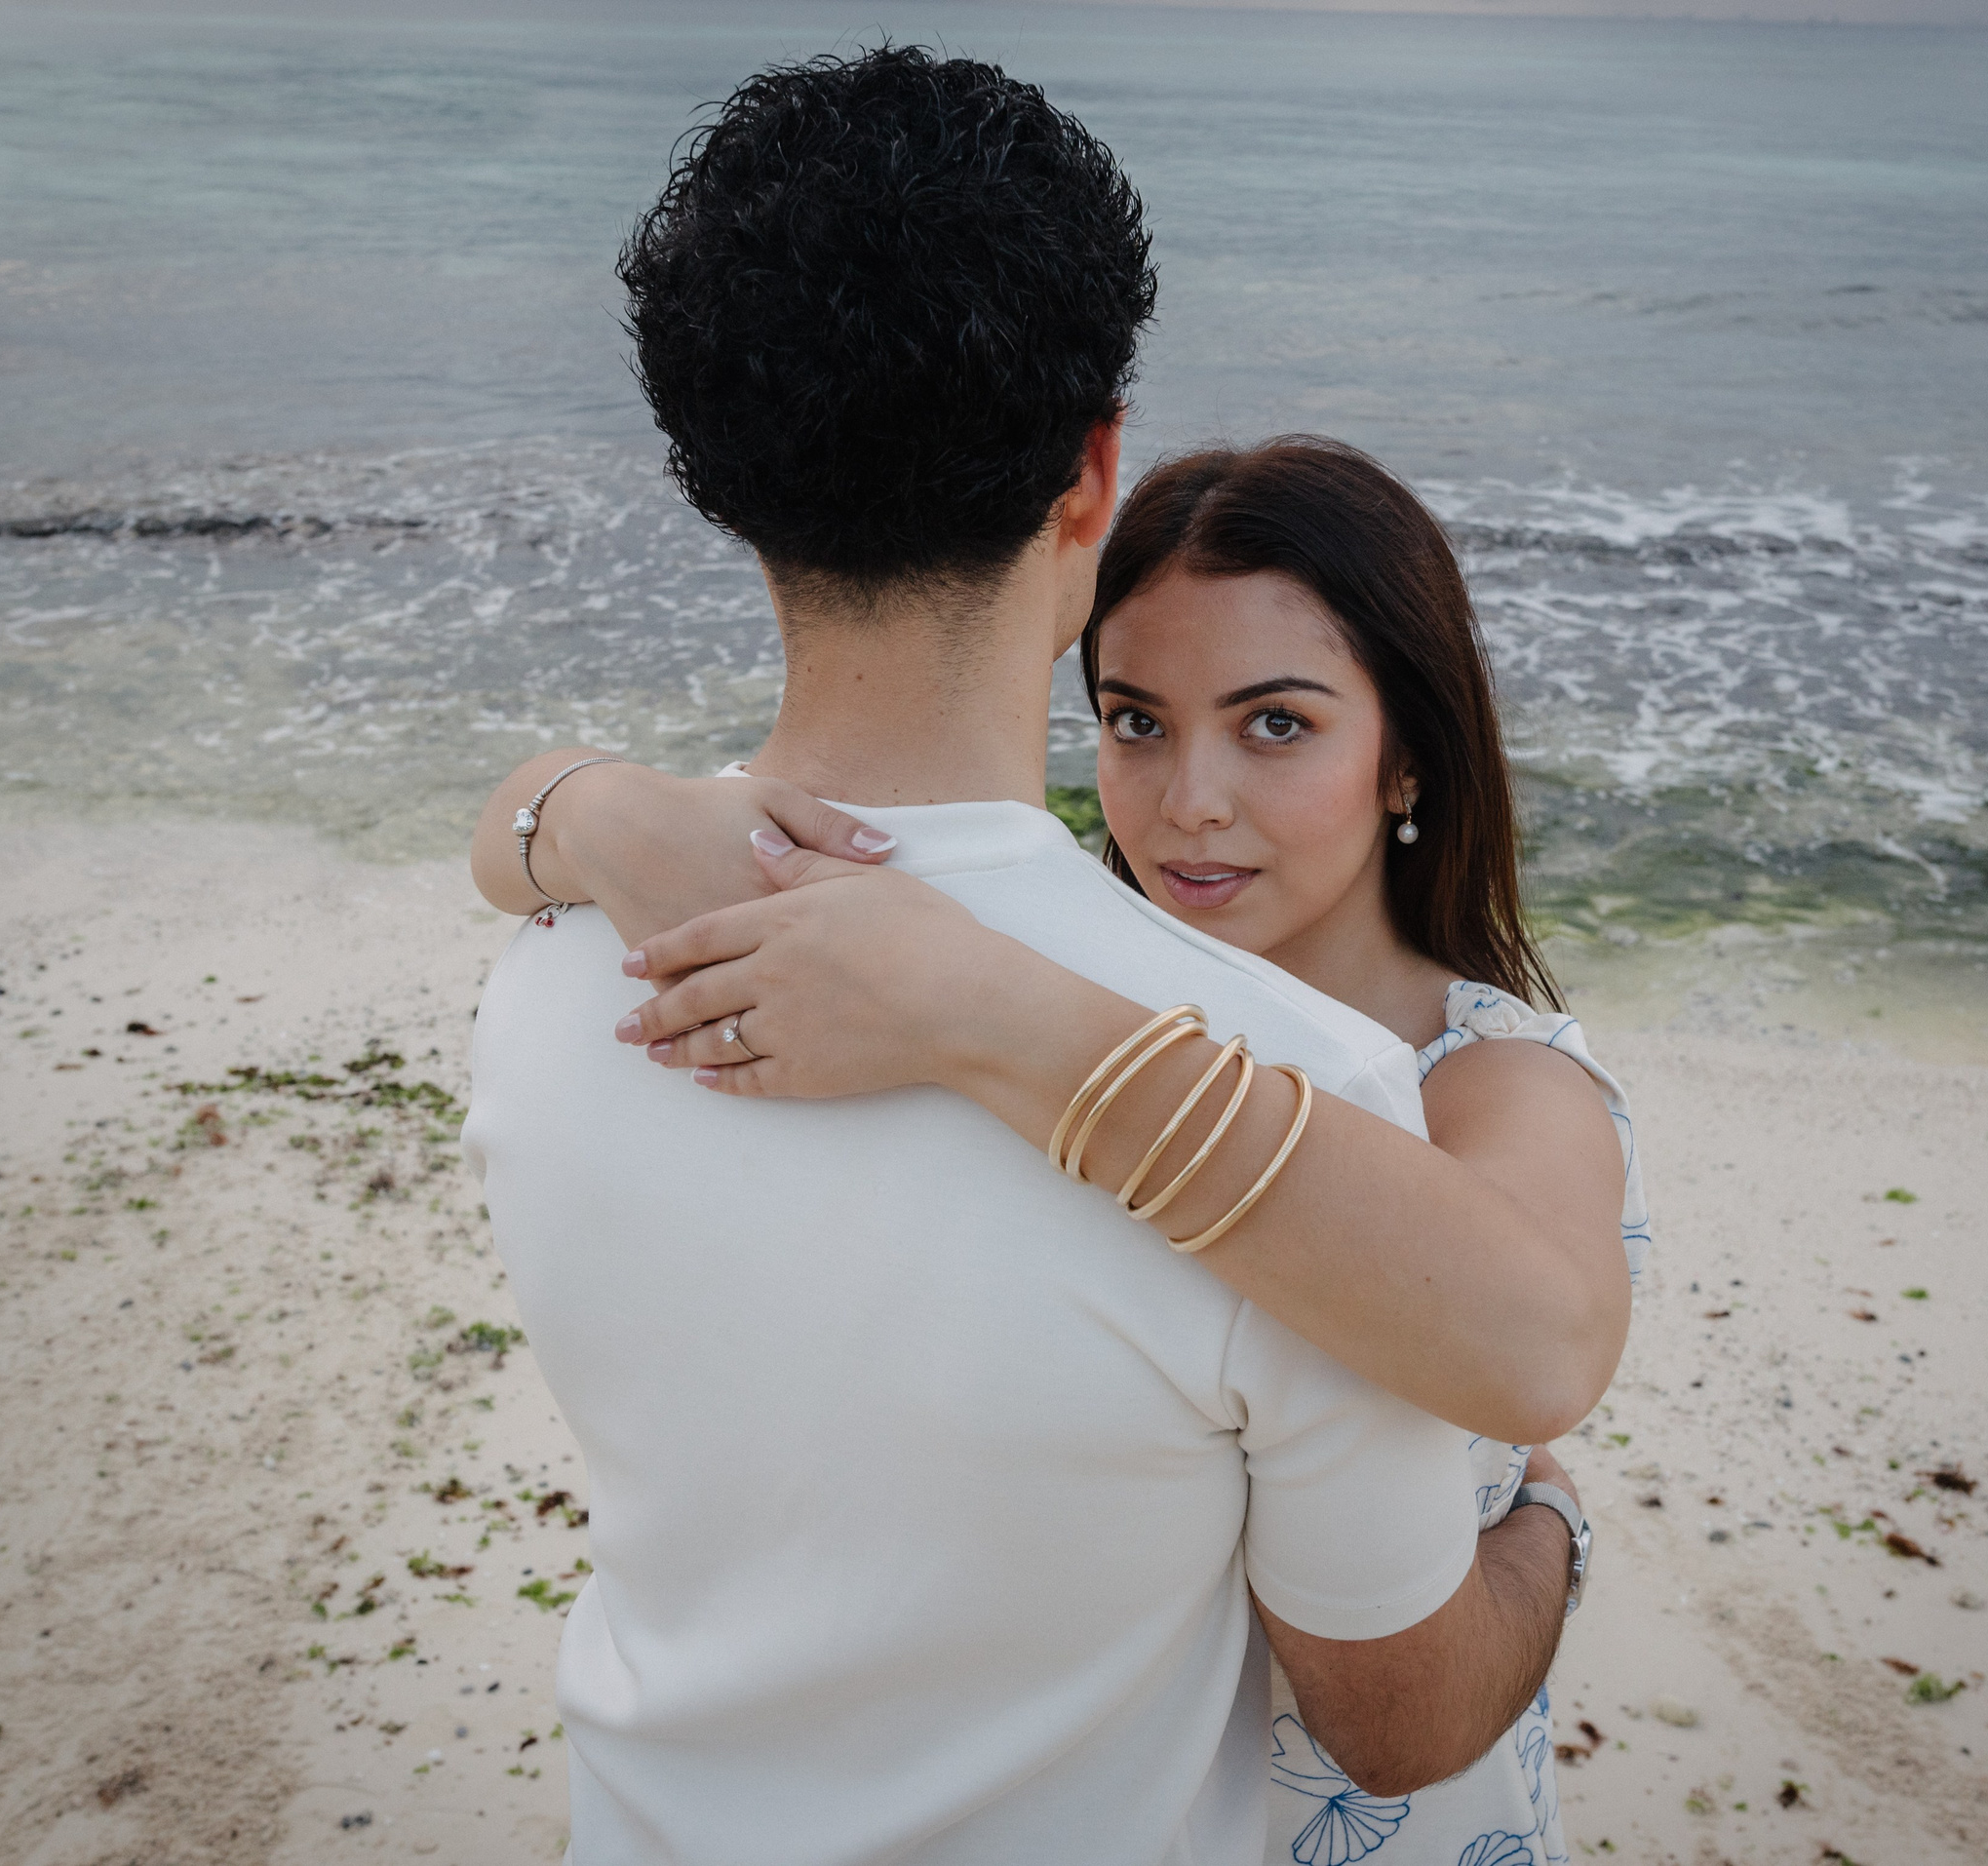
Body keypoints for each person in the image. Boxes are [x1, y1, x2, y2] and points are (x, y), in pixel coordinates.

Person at [462, 45, 1633, 1866]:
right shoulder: (1298, 1103)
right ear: (1095, 475)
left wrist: (575, 808)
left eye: (1274, 725)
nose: (1196, 795)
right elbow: (1397, 1713)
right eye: (1143, 720)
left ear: (719, 481)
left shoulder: (553, 978)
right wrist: (1553, 1514)